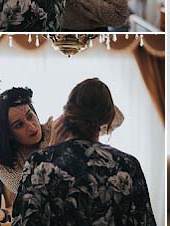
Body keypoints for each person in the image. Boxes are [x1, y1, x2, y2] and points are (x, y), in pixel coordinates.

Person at [12, 78, 154, 225]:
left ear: (67, 113)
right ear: (109, 117)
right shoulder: (128, 165)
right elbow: (144, 221)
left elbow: (23, 221)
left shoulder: (39, 163)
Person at [0, 86, 122, 198]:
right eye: (19, 125)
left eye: (30, 116)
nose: (32, 126)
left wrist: (82, 107)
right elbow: (31, 192)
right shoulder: (2, 159)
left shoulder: (56, 128)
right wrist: (52, 148)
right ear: (7, 135)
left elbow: (117, 119)